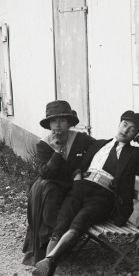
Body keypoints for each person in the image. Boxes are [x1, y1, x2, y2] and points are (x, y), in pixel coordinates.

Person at [31, 111, 139, 276]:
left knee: (79, 222)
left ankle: (49, 264)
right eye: (125, 125)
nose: (126, 131)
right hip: (80, 187)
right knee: (61, 223)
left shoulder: (134, 153)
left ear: (135, 135)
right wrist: (77, 176)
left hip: (104, 196)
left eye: (132, 130)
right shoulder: (98, 144)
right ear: (119, 124)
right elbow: (77, 159)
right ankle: (47, 275)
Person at [22, 100, 95, 266]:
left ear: (68, 123)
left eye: (62, 120)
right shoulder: (44, 144)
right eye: (54, 121)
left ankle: (62, 247)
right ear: (49, 124)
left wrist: (83, 169)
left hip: (72, 186)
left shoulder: (80, 139)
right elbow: (46, 173)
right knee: (48, 193)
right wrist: (56, 152)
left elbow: (99, 148)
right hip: (50, 187)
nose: (58, 125)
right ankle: (49, 250)